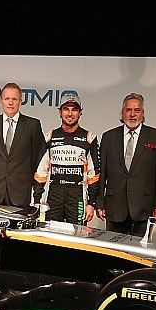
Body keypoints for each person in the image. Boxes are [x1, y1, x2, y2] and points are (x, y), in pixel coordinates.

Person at [96, 93, 156, 235]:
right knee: (114, 253)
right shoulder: (109, 137)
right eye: (128, 110)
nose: (132, 114)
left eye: (137, 110)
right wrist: (99, 203)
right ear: (122, 113)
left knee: (139, 253)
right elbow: (102, 173)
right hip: (115, 207)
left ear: (143, 113)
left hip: (144, 208)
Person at [33, 93, 100, 224]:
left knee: (77, 236)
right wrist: (36, 200)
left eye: (74, 109)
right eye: (66, 109)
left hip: (77, 195)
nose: (70, 114)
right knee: (51, 234)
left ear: (80, 113)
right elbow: (41, 172)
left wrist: (91, 203)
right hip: (54, 193)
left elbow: (94, 175)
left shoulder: (89, 138)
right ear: (60, 112)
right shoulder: (50, 136)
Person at [0, 82, 45, 207]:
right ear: (1, 101)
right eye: (7, 99)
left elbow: (37, 157)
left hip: (20, 191)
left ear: (20, 101)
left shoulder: (32, 125)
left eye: (14, 99)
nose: (10, 103)